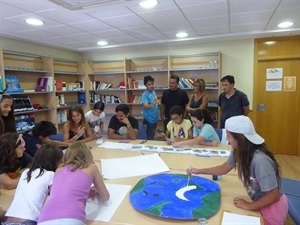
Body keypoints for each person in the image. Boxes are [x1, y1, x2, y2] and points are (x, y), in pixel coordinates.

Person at [186, 116, 288, 225]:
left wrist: (250, 206)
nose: (226, 139)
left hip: (272, 208)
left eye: (229, 136)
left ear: (239, 138)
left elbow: (273, 196)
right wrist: (199, 171)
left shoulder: (261, 161)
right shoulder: (238, 151)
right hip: (258, 201)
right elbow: (223, 168)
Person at [38, 142, 110, 225]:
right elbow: (105, 197)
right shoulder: (91, 167)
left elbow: (64, 189)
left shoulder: (59, 169)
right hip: (72, 218)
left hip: (45, 218)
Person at [3, 145, 63, 225]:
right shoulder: (50, 175)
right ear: (54, 162)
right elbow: (58, 198)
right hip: (28, 220)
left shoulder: (26, 172)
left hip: (9, 219)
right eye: (61, 162)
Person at [141, 75, 159, 140]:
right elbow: (145, 106)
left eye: (152, 84)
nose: (151, 86)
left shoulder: (153, 92)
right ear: (145, 85)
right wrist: (152, 104)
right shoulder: (144, 95)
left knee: (152, 136)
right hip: (149, 120)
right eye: (149, 84)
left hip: (154, 119)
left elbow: (155, 101)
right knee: (150, 138)